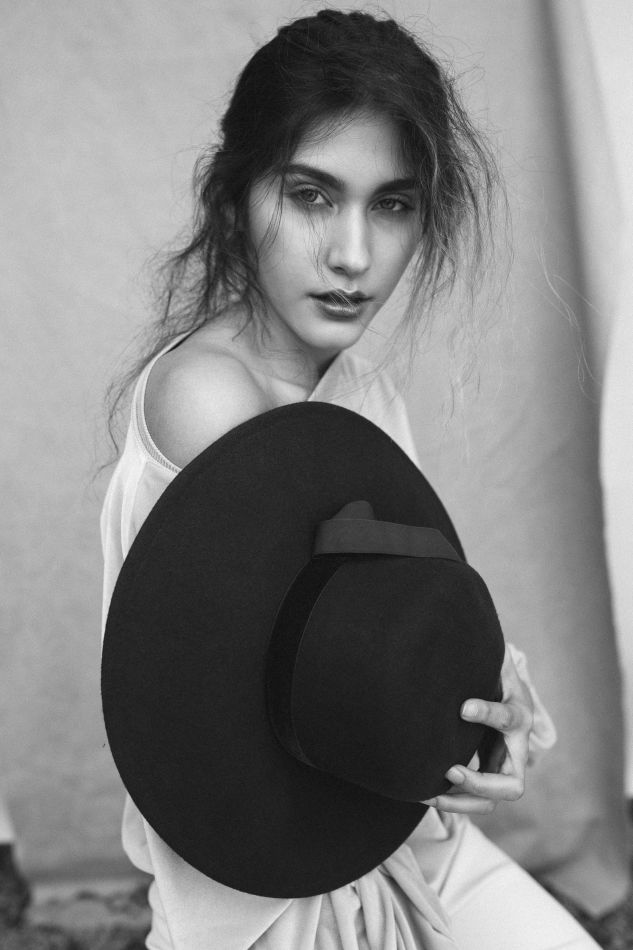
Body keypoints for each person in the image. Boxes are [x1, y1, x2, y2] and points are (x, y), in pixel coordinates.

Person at [101, 10, 599, 949]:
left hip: (402, 830)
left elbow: (383, 631)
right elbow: (220, 737)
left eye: (392, 205)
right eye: (312, 196)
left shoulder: (362, 390)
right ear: (236, 194)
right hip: (262, 885)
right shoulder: (209, 398)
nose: (354, 256)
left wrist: (482, 715)